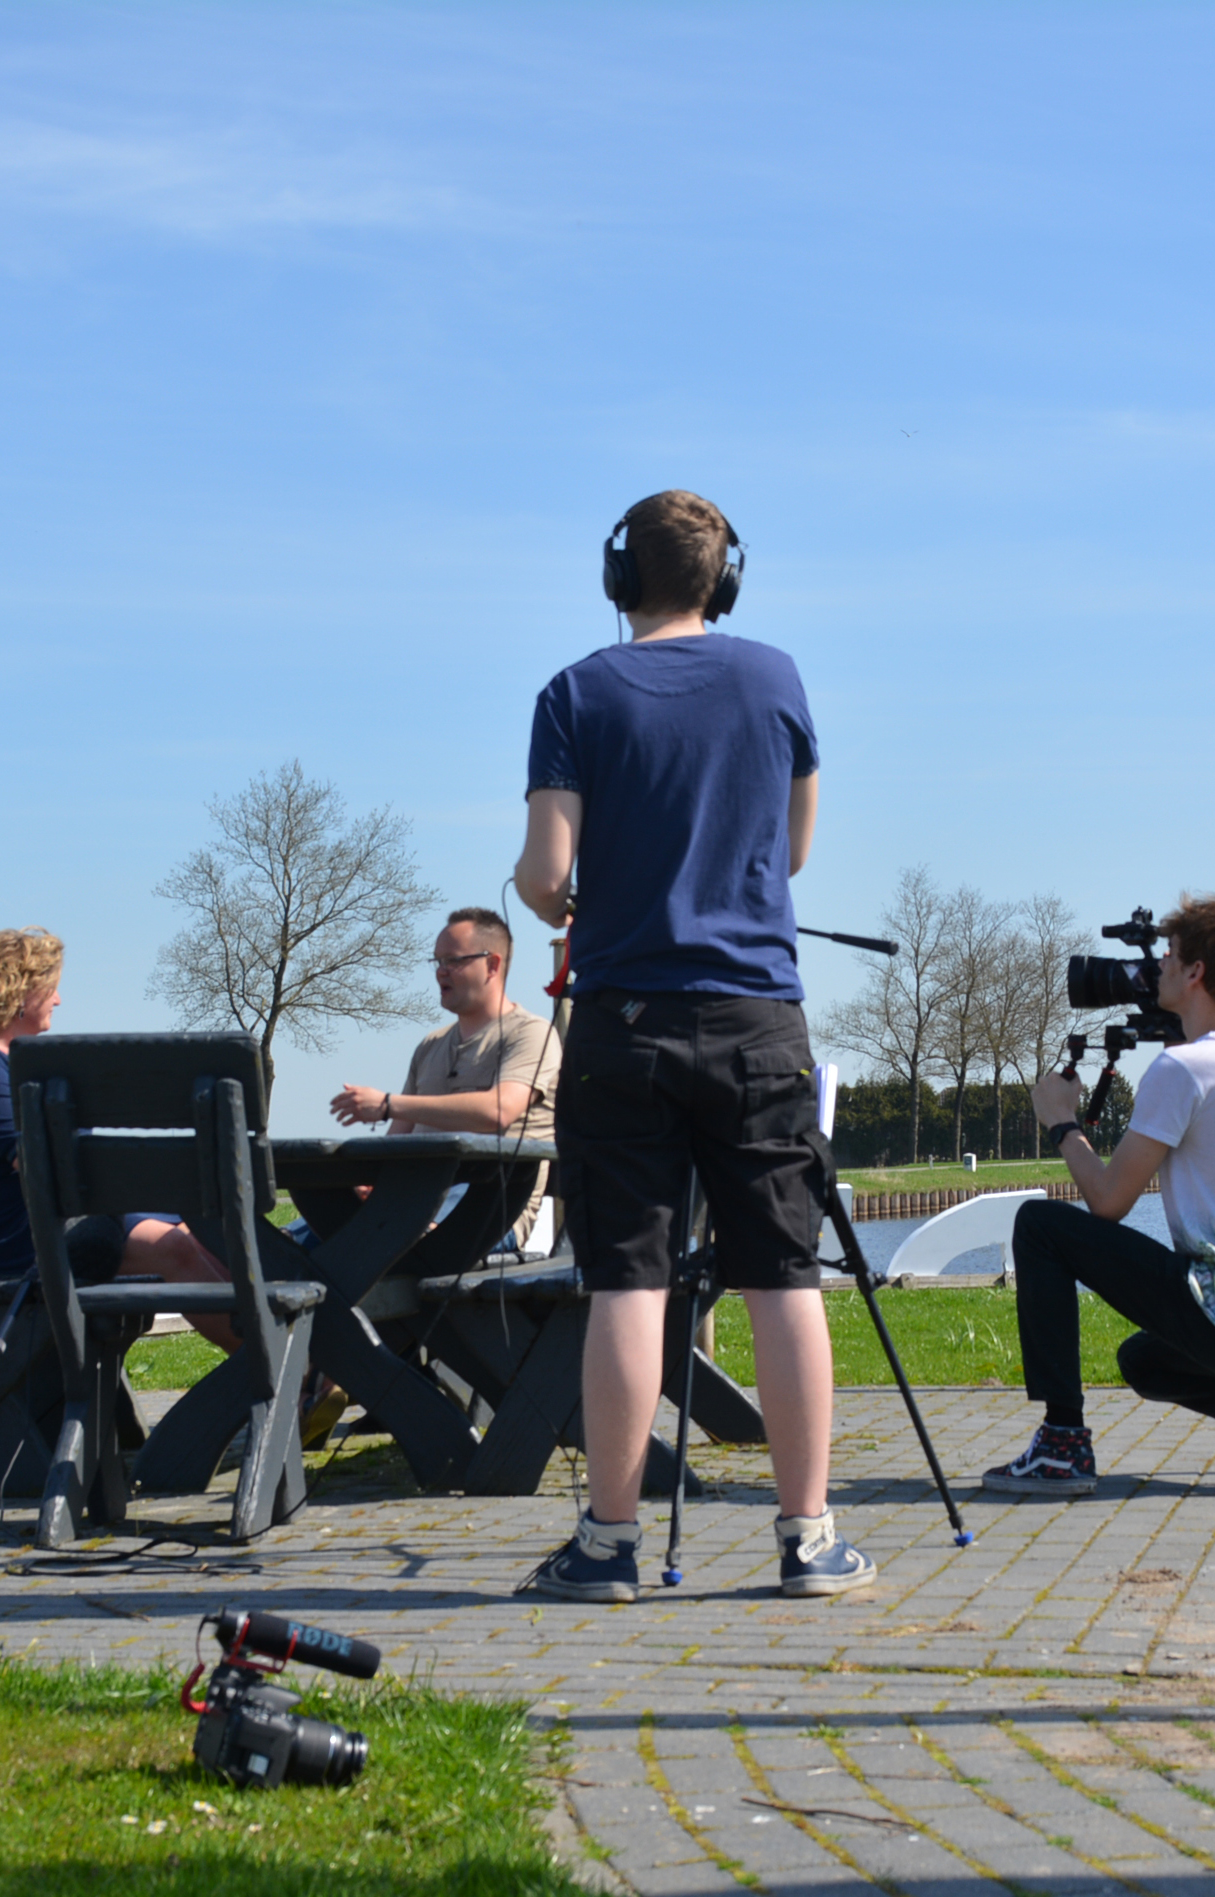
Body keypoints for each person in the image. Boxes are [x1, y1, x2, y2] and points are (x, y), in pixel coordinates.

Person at [511, 488, 873, 1603]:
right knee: (783, 1277)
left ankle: (609, 1543)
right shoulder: (775, 678)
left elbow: (542, 873)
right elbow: (796, 851)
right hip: (760, 1017)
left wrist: (559, 896)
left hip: (625, 1023)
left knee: (627, 1280)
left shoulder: (574, 692)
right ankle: (808, 1538)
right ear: (725, 579)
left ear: (621, 579)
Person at [986, 894, 1215, 1498]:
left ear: (1195, 972)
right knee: (1143, 1362)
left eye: (1168, 957)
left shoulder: (1183, 1070)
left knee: (1040, 1225)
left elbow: (1108, 1201)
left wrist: (1061, 1121)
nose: (1157, 970)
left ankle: (1062, 1447)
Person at [0, 928, 238, 1344]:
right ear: (21, 991)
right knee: (174, 1248)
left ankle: (295, 1371)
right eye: (51, 989)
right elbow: (40, 1167)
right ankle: (281, 1374)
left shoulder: (13, 1064)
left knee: (201, 1237)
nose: (58, 999)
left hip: (68, 1223)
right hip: (33, 1242)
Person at [328, 906, 563, 1251]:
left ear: (492, 965)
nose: (441, 972)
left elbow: (499, 1111)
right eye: (437, 962)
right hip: (404, 1207)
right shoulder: (430, 1045)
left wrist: (389, 1104)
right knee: (267, 1248)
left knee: (368, 1246)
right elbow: (395, 1146)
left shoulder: (531, 1035)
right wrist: (370, 1181)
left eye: (453, 961)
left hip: (485, 1212)